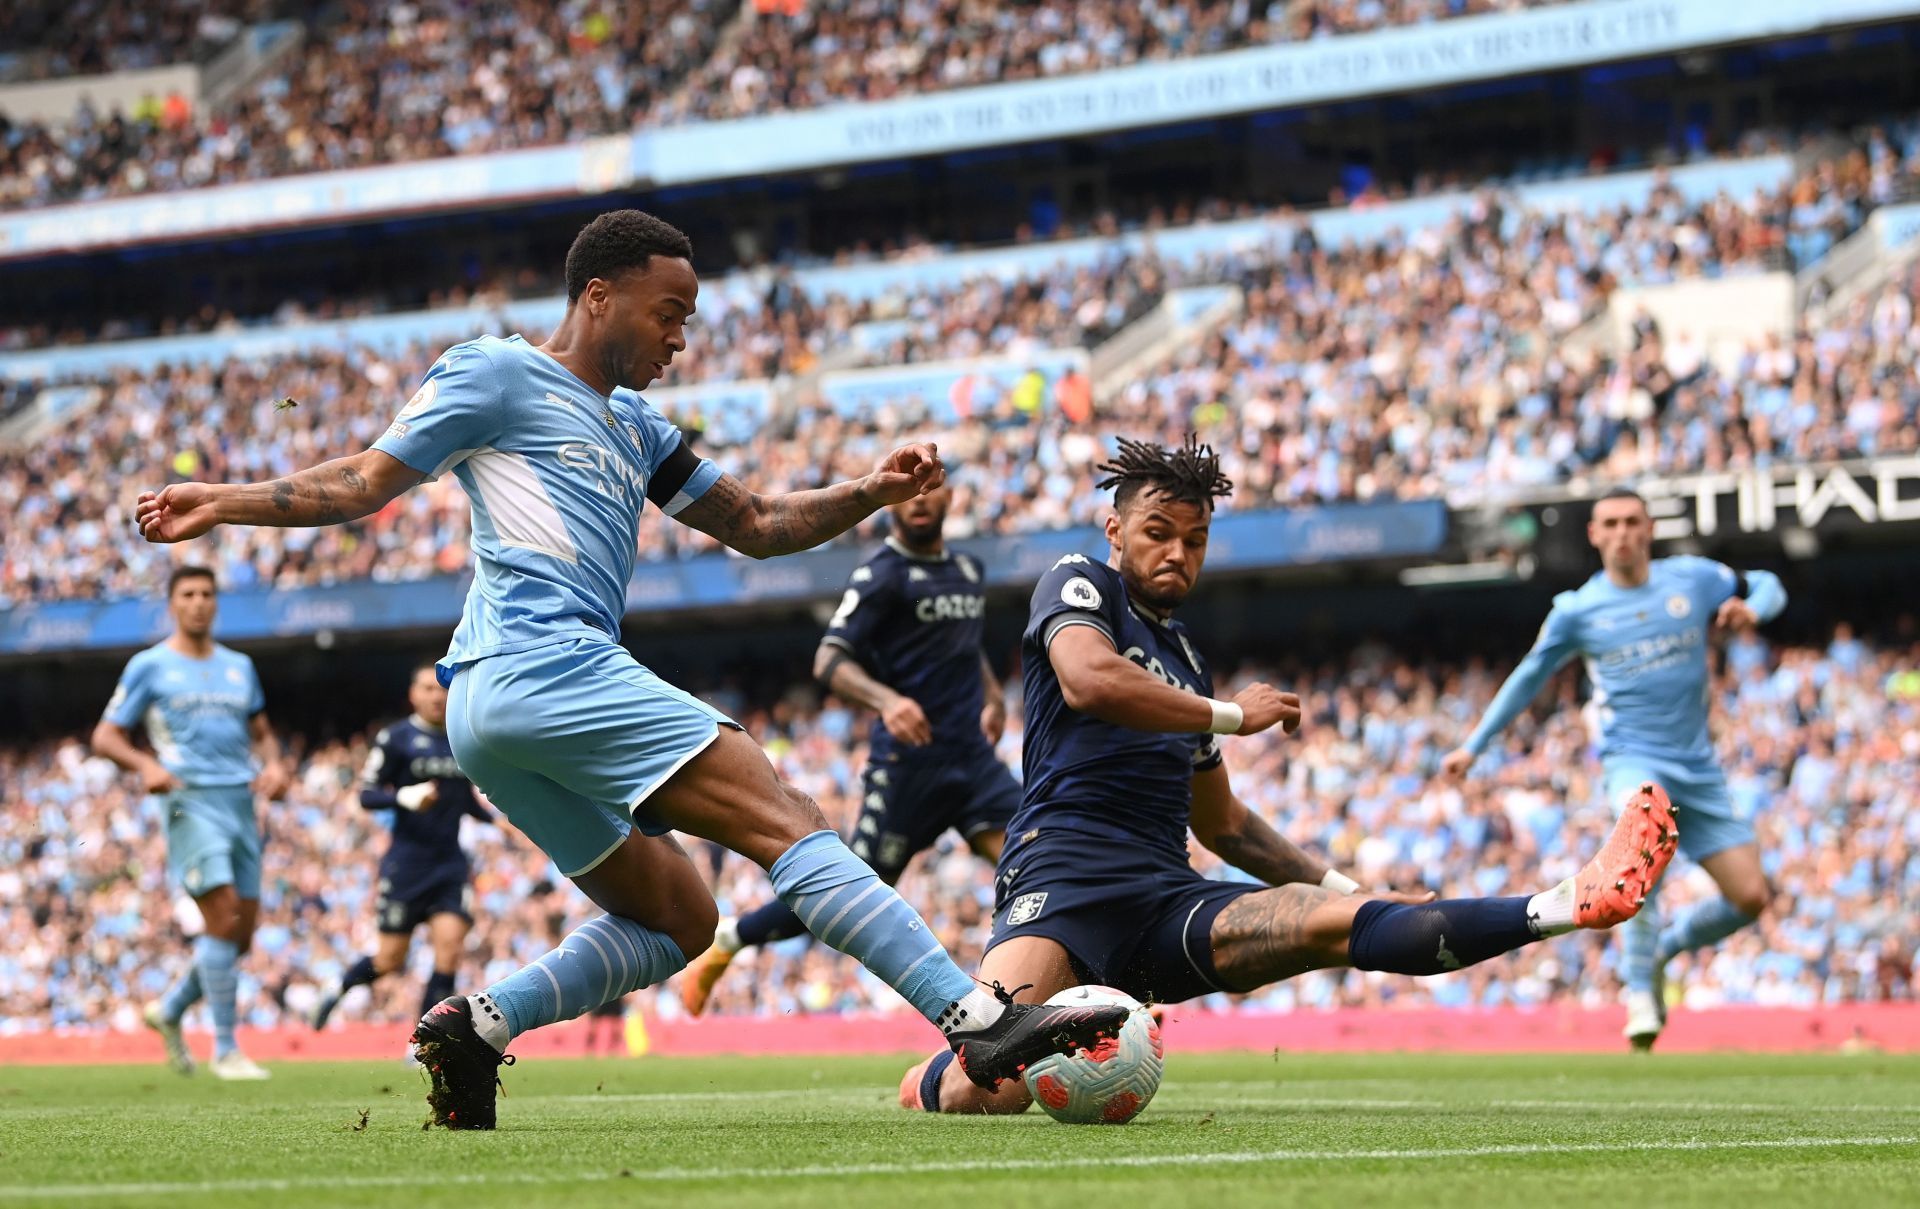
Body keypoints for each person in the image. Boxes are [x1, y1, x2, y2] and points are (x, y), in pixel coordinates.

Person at [133, 209, 1127, 1129]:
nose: (680, 337)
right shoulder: (494, 372)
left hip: (494, 713)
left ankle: (481, 1023)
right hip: (541, 666)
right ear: (598, 297)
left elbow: (757, 525)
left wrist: (867, 489)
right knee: (786, 819)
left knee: (680, 916)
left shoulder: (640, 428)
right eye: (669, 313)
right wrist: (226, 499)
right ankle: (974, 1018)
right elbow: (364, 479)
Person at [900, 437, 1677, 1114]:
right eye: (1158, 533)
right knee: (991, 1084)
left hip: (1163, 897)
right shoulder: (1080, 584)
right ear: (1114, 530)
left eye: (1195, 540)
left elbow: (1226, 825)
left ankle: (1566, 903)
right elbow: (1087, 679)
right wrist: (1229, 714)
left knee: (1333, 922)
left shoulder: (1186, 659)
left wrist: (1346, 888)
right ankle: (925, 1079)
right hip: (1062, 877)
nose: (1177, 553)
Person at [1442, 486, 1787, 1051]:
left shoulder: (1693, 579)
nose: (1623, 532)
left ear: (1649, 529)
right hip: (1634, 759)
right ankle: (1638, 992)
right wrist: (1474, 745)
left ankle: (1667, 949)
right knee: (1640, 842)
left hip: (1699, 767)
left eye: (1633, 521)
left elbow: (1769, 584)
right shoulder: (1578, 610)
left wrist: (1755, 608)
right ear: (1594, 535)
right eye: (1612, 523)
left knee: (1750, 897)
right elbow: (1530, 674)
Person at [678, 481, 1019, 1014]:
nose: (922, 500)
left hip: (974, 760)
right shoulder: (880, 575)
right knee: (849, 894)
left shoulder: (967, 572)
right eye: (912, 492)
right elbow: (830, 660)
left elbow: (965, 642)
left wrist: (993, 695)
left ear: (952, 496)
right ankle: (732, 939)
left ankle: (1047, 992)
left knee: (1035, 862)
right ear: (894, 503)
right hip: (908, 767)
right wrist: (888, 702)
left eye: (934, 489)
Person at [90, 566, 290, 1081]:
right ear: (172, 604)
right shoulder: (150, 665)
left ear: (216, 603)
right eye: (188, 594)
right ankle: (225, 1049)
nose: (199, 602)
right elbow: (106, 737)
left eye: (206, 594)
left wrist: (275, 766)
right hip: (187, 800)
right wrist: (147, 765)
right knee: (221, 916)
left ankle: (171, 1008)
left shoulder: (239, 667)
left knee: (240, 935)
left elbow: (262, 731)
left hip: (240, 802)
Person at [311, 662, 497, 1032]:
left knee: (449, 949)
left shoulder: (461, 738)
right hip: (407, 863)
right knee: (390, 960)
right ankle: (339, 986)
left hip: (449, 863)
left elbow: (463, 800)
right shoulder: (395, 738)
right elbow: (366, 794)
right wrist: (404, 798)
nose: (435, 696)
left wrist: (499, 821)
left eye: (441, 689)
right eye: (427, 688)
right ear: (413, 694)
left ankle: (426, 1039)